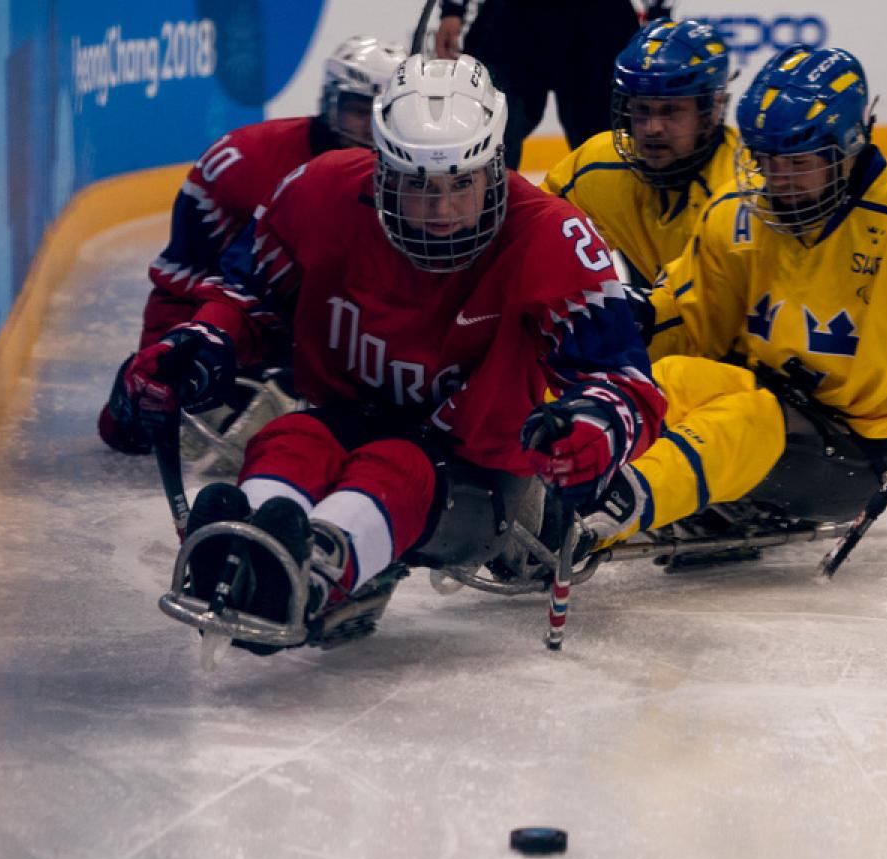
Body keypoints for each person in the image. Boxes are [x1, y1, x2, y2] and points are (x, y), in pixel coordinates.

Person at [125, 54, 666, 653]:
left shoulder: (551, 236)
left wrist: (593, 430)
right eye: (417, 184)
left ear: (496, 168)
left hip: (477, 476)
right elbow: (248, 295)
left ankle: (320, 569)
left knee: (396, 467)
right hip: (346, 416)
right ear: (383, 169)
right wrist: (204, 341)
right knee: (292, 439)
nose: (440, 212)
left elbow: (624, 381)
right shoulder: (318, 192)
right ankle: (248, 545)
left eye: (461, 183)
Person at [582, 44, 887, 544]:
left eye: (799, 162)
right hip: (769, 397)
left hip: (855, 453)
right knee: (670, 378)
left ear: (848, 146)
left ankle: (596, 520)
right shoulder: (738, 212)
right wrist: (636, 320)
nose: (778, 180)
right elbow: (694, 324)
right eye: (766, 160)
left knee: (745, 419)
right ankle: (556, 468)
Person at [98, 35, 407, 455]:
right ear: (329, 99)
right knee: (142, 423)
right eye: (357, 111)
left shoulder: (414, 181)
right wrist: (162, 356)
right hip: (241, 324)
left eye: (384, 115)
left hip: (335, 335)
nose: (370, 131)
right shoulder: (241, 164)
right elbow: (180, 280)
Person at [541, 17, 738, 286]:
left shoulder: (741, 195)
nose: (652, 128)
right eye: (642, 110)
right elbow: (530, 233)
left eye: (671, 111)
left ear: (709, 114)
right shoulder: (600, 165)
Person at [434, 0, 668, 170]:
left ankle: (617, 232)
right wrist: (452, 9)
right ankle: (486, 230)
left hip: (599, 25)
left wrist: (659, 13)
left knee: (611, 150)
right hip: (512, 23)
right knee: (489, 142)